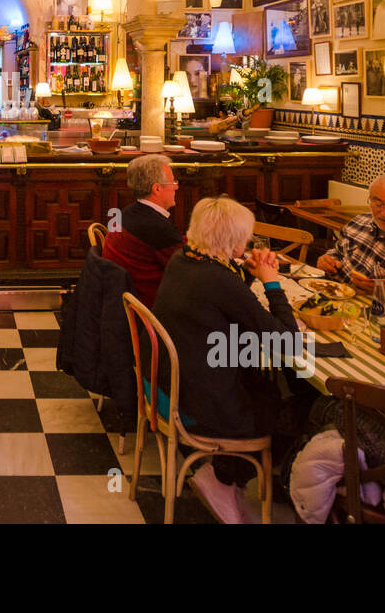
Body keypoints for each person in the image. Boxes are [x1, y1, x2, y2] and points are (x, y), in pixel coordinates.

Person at [151, 196, 302, 524]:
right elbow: (287, 340)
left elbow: (221, 305)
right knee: (294, 407)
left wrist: (245, 274)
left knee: (271, 385)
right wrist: (272, 282)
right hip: (201, 404)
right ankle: (226, 480)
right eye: (245, 237)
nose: (248, 242)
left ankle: (225, 477)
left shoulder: (184, 259)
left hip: (170, 384)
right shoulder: (218, 280)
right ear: (232, 241)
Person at [102, 155, 184, 308]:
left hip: (120, 301)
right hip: (151, 306)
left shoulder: (128, 212)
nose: (176, 187)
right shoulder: (156, 228)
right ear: (157, 188)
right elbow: (186, 268)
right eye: (173, 182)